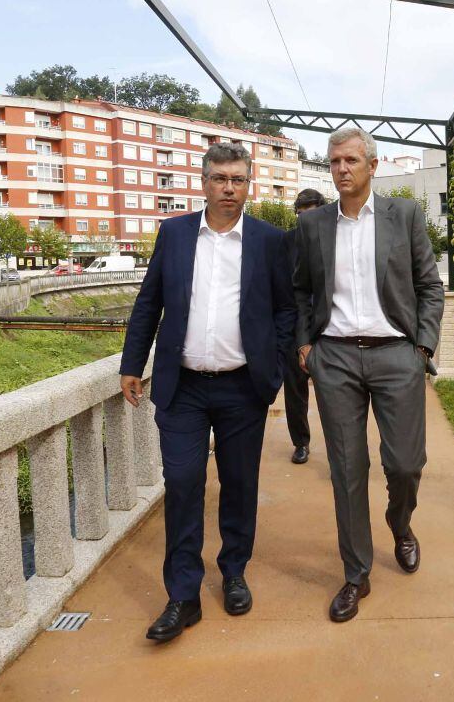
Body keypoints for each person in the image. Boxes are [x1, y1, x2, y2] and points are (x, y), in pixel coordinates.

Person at [119, 142, 296, 642]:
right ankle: (183, 595)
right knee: (182, 484)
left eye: (238, 180)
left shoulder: (268, 241)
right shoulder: (174, 234)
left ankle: (234, 570)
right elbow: (149, 300)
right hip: (184, 388)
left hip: (243, 388)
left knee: (239, 484)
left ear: (249, 184)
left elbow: (286, 310)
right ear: (203, 181)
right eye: (220, 178)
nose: (228, 188)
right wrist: (132, 364)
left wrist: (275, 369)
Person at [293, 128, 444, 623]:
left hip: (396, 354)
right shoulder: (314, 224)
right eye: (335, 161)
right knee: (346, 471)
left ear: (373, 166)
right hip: (335, 358)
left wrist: (421, 346)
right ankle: (356, 574)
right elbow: (300, 290)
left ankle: (400, 524)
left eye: (352, 160)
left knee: (404, 464)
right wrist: (305, 345)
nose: (342, 169)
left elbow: (429, 285)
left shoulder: (404, 216)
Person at [284, 188, 327, 464]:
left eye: (310, 215)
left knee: (334, 393)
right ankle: (300, 443)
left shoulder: (335, 239)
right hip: (293, 326)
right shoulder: (285, 242)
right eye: (301, 216)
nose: (306, 221)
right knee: (295, 392)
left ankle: (342, 449)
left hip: (329, 328)